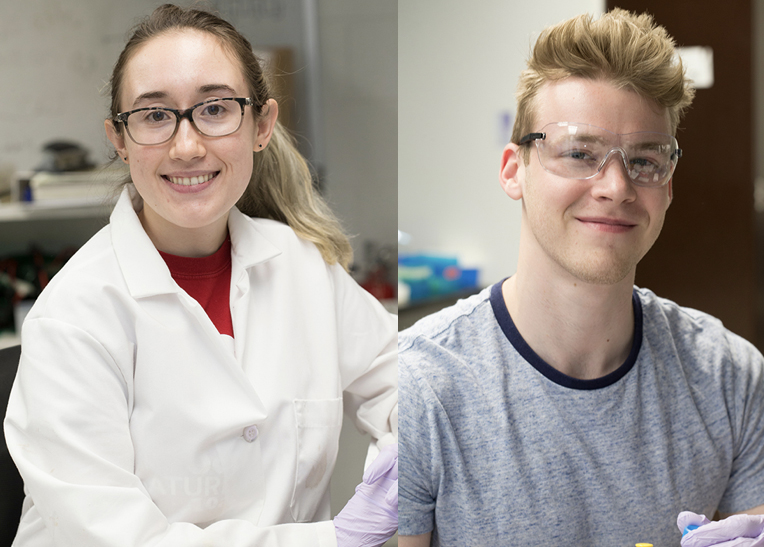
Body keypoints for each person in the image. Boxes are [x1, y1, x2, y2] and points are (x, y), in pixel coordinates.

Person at [3, 5, 397, 546]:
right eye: (155, 116)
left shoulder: (302, 267)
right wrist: (340, 538)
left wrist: (402, 462)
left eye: (214, 109)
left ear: (261, 126)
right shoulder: (74, 317)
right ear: (119, 140)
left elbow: (400, 383)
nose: (187, 146)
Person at [398, 9, 764, 547]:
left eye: (645, 160)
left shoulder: (730, 378)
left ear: (668, 186)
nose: (616, 186)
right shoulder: (421, 389)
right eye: (579, 153)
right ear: (513, 169)